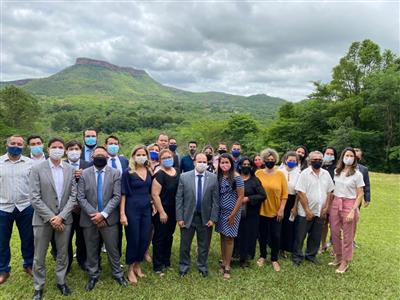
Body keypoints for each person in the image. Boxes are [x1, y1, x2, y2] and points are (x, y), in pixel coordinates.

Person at [30, 138, 77, 300]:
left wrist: (62, 216)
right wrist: (52, 218)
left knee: (63, 253)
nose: (57, 149)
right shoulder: (37, 169)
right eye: (54, 147)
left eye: (60, 147)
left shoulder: (70, 169)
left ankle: (61, 281)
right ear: (48, 149)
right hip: (43, 220)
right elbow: (34, 197)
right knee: (39, 255)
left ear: (64, 150)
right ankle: (38, 286)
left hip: (65, 219)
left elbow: (73, 195)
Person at [77, 146, 127, 291]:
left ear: (107, 157)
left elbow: (117, 196)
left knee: (113, 248)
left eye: (103, 155)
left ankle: (117, 273)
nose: (100, 157)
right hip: (89, 219)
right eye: (97, 155)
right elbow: (80, 197)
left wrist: (103, 214)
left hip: (109, 218)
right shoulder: (84, 174)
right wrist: (95, 214)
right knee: (91, 248)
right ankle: (93, 274)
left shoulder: (115, 173)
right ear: (92, 157)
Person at [176, 153, 219, 278]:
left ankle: (202, 266)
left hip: (205, 217)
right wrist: (179, 217)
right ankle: (184, 266)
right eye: (199, 161)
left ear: (207, 163)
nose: (201, 164)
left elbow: (216, 200)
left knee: (204, 245)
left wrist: (213, 218)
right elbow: (179, 198)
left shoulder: (213, 178)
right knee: (185, 244)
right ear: (194, 162)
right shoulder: (184, 177)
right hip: (188, 216)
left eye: (204, 162)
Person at [0, 135, 34, 285]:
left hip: (25, 206)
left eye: (19, 144)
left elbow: (35, 185)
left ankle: (29, 264)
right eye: (13, 143)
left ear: (24, 147)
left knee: (28, 238)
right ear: (6, 145)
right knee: (2, 241)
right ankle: (3, 269)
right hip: (3, 207)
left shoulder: (30, 163)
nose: (16, 146)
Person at [292, 151, 334, 266]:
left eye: (320, 159)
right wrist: (307, 210)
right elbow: (300, 192)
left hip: (320, 211)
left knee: (316, 235)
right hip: (305, 212)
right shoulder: (304, 174)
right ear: (310, 161)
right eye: (315, 159)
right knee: (300, 235)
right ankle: (297, 257)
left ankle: (311, 255)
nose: (318, 161)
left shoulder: (326, 174)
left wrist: (326, 208)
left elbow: (330, 192)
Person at [327, 147, 365, 273]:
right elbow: (333, 189)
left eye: (351, 156)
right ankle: (338, 256)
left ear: (354, 158)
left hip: (349, 203)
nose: (348, 157)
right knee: (335, 231)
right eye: (346, 155)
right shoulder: (337, 171)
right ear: (342, 157)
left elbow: (360, 194)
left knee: (348, 235)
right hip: (336, 202)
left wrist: (353, 210)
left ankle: (345, 261)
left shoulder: (357, 174)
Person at [120, 145, 152, 283]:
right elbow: (123, 194)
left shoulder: (149, 171)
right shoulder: (128, 172)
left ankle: (138, 265)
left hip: (146, 209)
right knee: (134, 239)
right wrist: (122, 213)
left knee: (145, 238)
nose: (141, 157)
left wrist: (152, 204)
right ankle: (130, 268)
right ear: (133, 156)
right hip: (131, 209)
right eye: (138, 154)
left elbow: (150, 191)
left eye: (143, 154)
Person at [255, 148, 288, 272]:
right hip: (261, 210)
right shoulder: (258, 173)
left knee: (275, 235)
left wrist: (281, 209)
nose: (270, 161)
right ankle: (263, 256)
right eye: (268, 160)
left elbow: (285, 194)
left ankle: (274, 259)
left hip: (276, 211)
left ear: (276, 160)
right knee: (262, 235)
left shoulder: (280, 174)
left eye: (272, 160)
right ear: (264, 160)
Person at [151, 149, 180, 275]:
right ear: (160, 160)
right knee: (159, 237)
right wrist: (162, 212)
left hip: (175, 209)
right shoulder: (159, 175)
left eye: (169, 157)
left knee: (169, 236)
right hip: (163, 210)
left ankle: (166, 261)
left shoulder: (177, 172)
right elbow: (155, 195)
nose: (167, 159)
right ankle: (157, 265)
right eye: (164, 158)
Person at [216, 153, 244, 279]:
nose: (224, 165)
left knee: (229, 238)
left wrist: (233, 214)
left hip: (232, 212)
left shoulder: (237, 177)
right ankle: (223, 261)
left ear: (231, 164)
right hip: (220, 212)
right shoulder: (220, 176)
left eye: (227, 162)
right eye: (222, 162)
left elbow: (241, 197)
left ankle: (228, 265)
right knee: (222, 236)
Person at [64, 140, 91, 272]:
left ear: (81, 151)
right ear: (66, 151)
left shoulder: (88, 165)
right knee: (66, 237)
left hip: (83, 208)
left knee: (82, 236)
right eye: (70, 149)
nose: (74, 151)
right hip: (66, 209)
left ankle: (82, 259)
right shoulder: (61, 165)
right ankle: (66, 262)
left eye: (76, 149)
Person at [235, 157, 266, 267]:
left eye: (248, 164)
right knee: (236, 235)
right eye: (244, 164)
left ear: (251, 166)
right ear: (239, 165)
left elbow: (263, 195)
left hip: (251, 214)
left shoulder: (254, 180)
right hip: (235, 212)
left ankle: (245, 258)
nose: (246, 166)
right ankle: (235, 255)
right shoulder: (235, 178)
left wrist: (248, 199)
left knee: (249, 235)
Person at [279, 151, 301, 257]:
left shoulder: (299, 173)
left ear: (297, 162)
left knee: (289, 225)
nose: (291, 162)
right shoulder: (280, 172)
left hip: (292, 200)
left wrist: (295, 206)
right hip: (280, 200)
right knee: (278, 224)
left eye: (294, 160)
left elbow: (298, 192)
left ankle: (286, 248)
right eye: (290, 160)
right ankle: (277, 247)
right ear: (286, 160)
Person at [320, 146, 337, 253]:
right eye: (327, 153)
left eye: (331, 154)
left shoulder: (337, 169)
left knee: (335, 224)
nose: (329, 155)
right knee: (323, 223)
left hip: (334, 199)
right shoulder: (319, 167)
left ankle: (336, 248)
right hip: (322, 199)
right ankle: (323, 245)